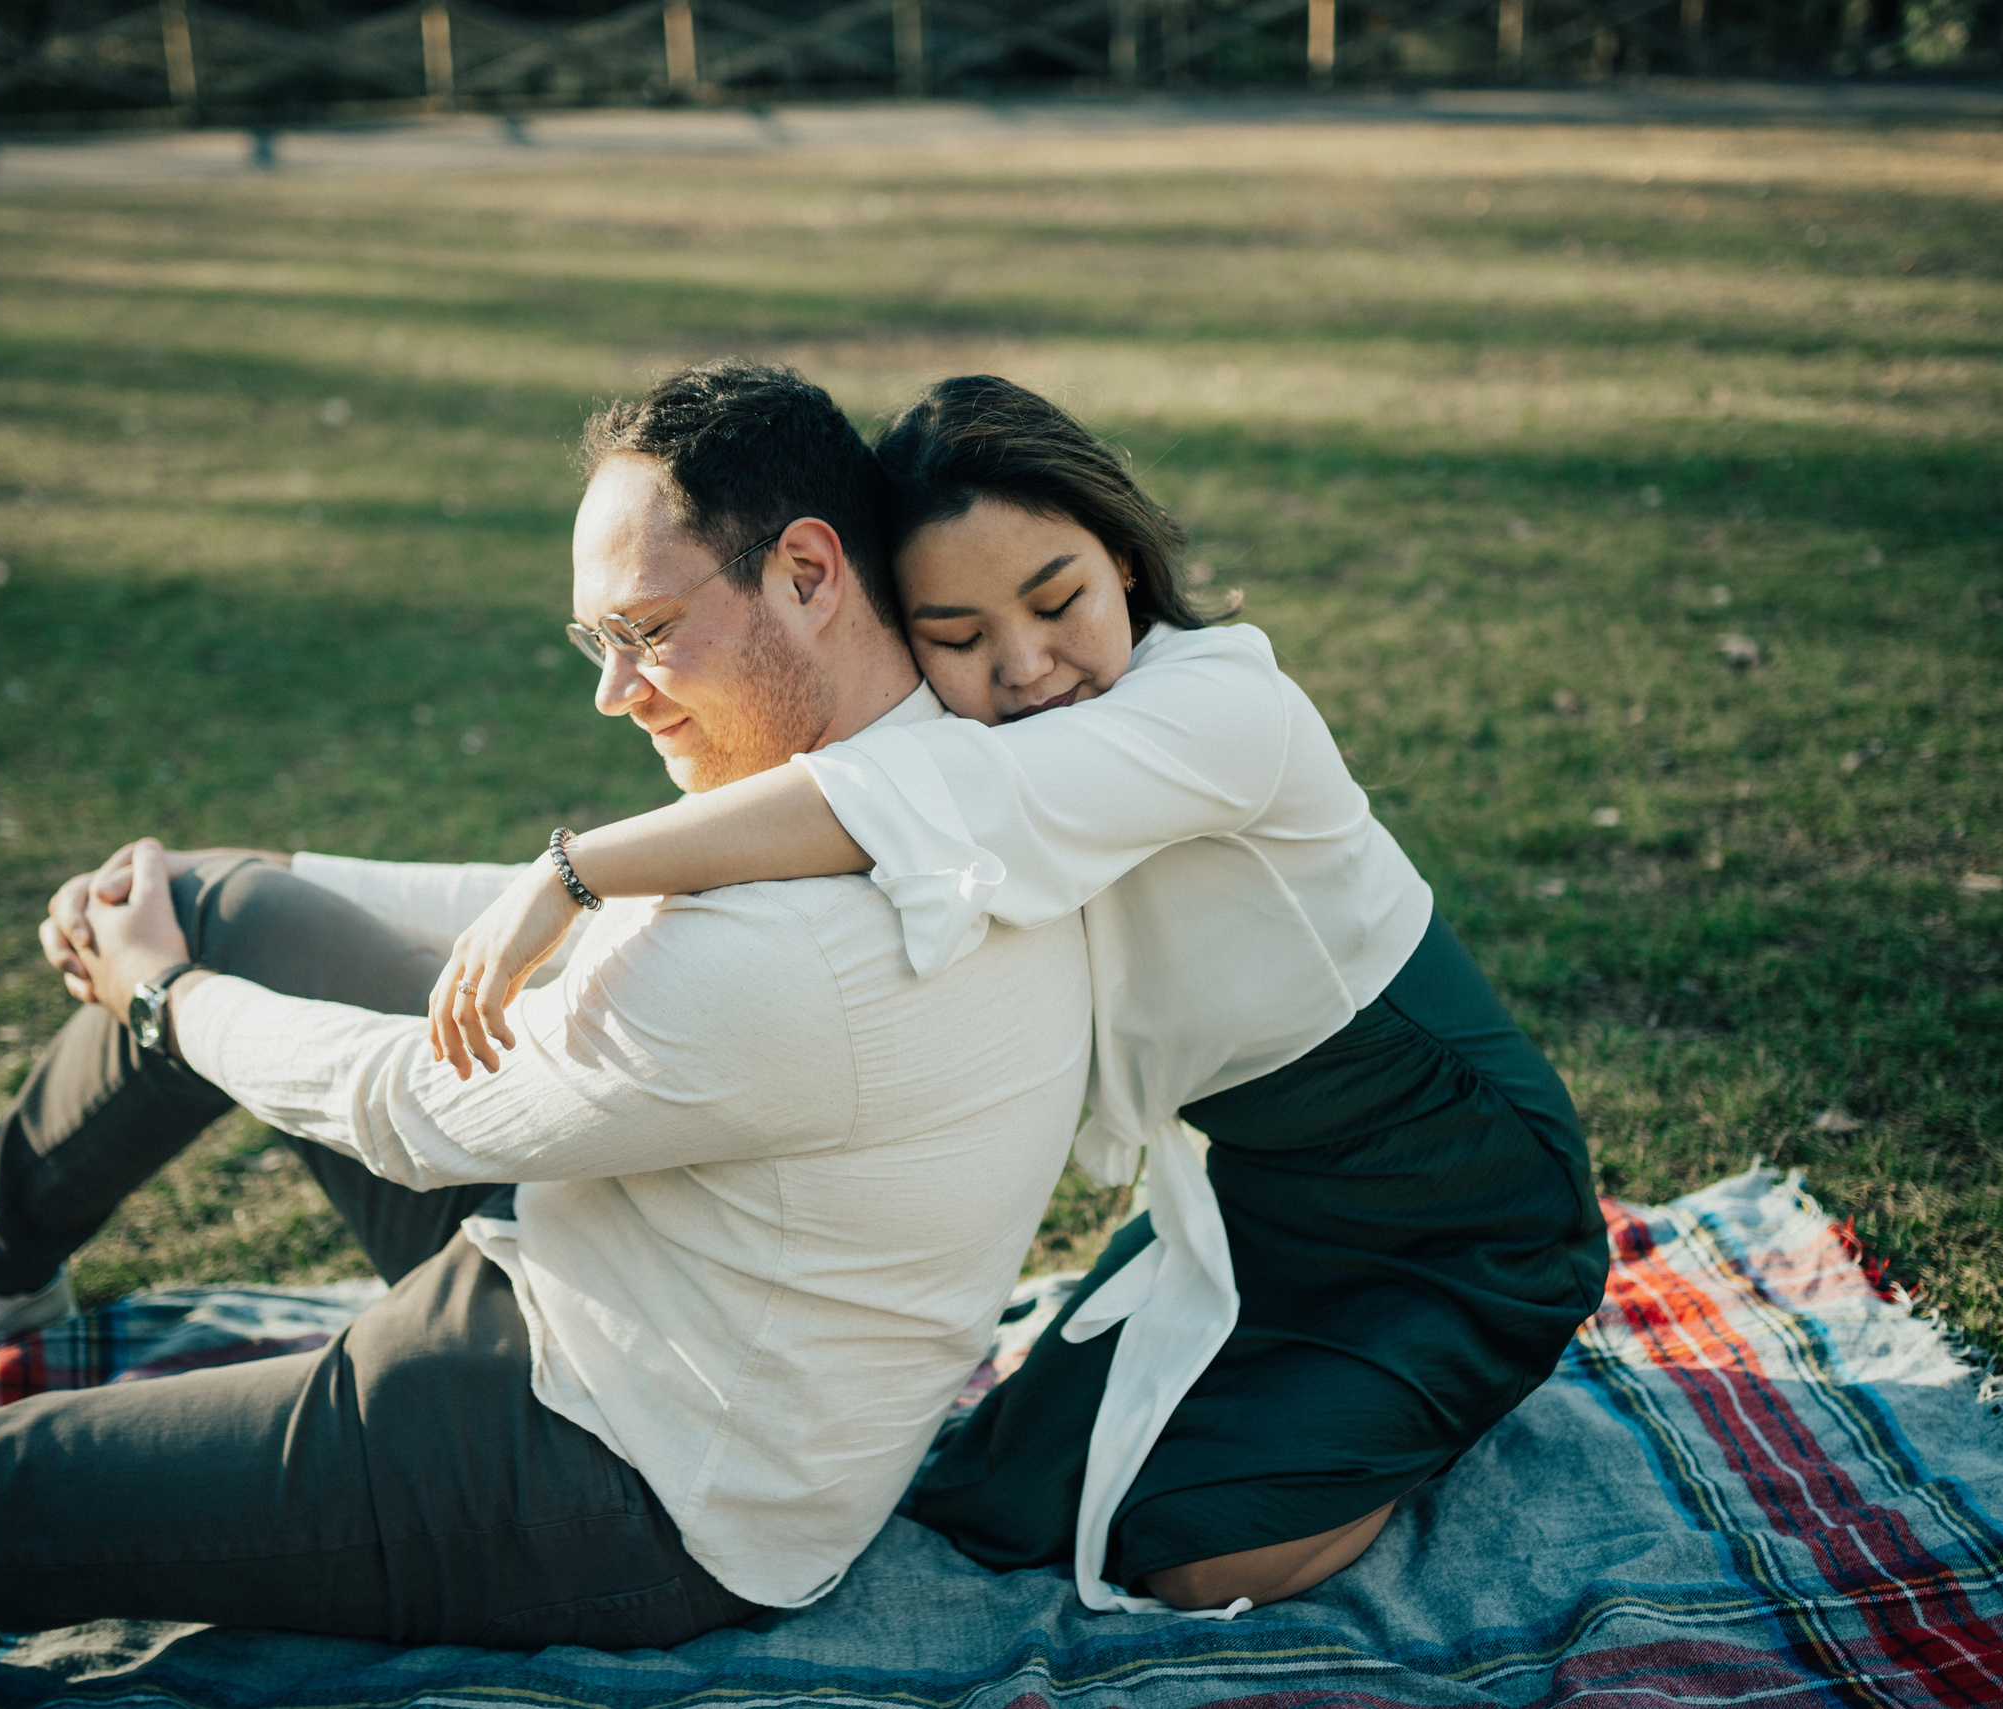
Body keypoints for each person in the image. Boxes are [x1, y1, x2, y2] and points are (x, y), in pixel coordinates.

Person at [0, 362, 1095, 1693]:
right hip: (599, 1257)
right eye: (597, 641)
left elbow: (411, 1113)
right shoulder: (937, 779)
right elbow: (533, 912)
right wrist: (240, 886)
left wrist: (164, 998)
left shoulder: (795, 957)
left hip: (618, 1484)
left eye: (648, 635)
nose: (614, 690)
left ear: (806, 571)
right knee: (229, 901)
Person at [428, 375, 1609, 1618]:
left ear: (1125, 563)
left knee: (1197, 1552)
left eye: (1059, 601)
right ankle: (1309, 1389)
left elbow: (896, 801)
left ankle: (1421, 1396)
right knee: (1003, 1497)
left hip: (1462, 1202)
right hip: (1264, 1201)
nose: (1027, 662)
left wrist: (571, 872)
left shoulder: (1220, 706)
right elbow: (890, 780)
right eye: (958, 632)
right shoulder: (978, 734)